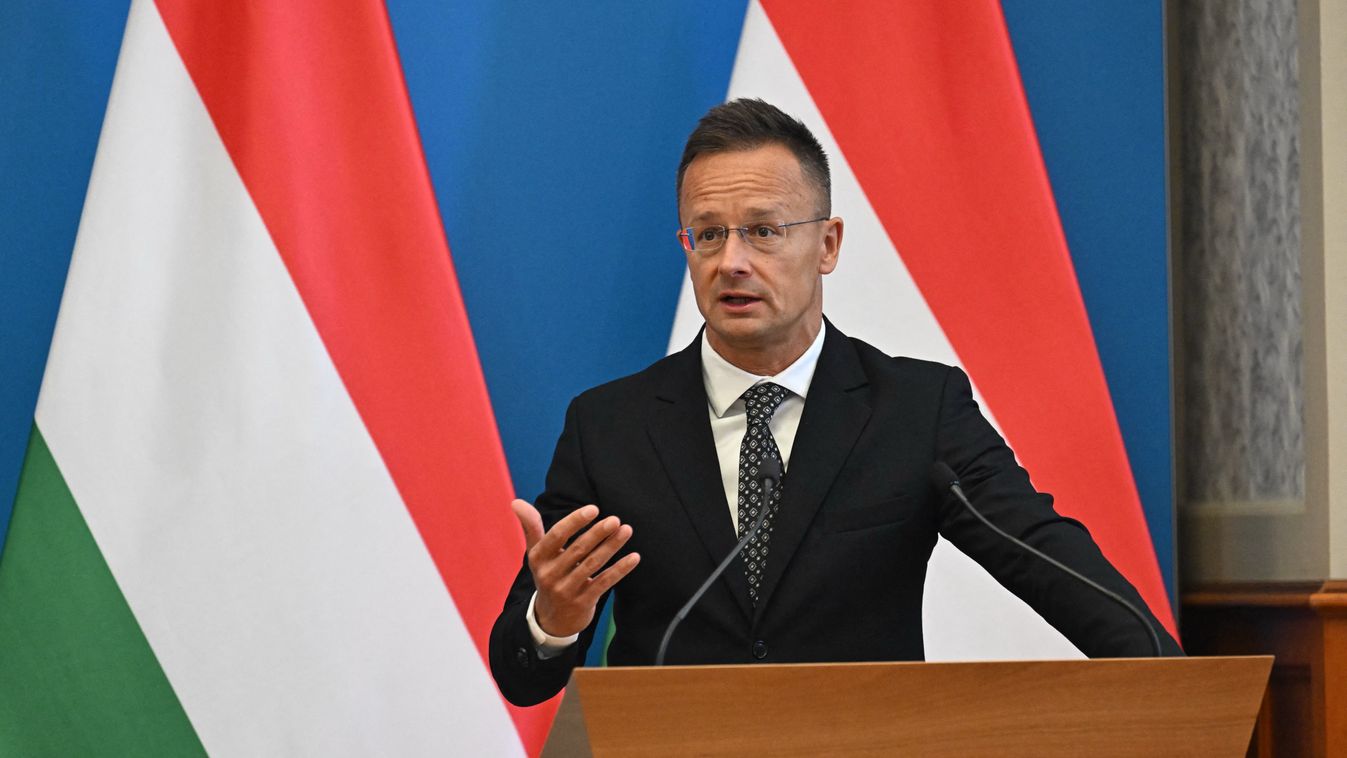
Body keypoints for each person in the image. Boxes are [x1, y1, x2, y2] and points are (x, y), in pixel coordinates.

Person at [488, 98, 1180, 707]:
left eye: (763, 231)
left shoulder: (916, 410)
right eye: (708, 233)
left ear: (827, 244)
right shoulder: (611, 426)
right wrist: (554, 620)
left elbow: (1045, 558)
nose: (731, 261)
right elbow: (523, 678)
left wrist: (1181, 690)